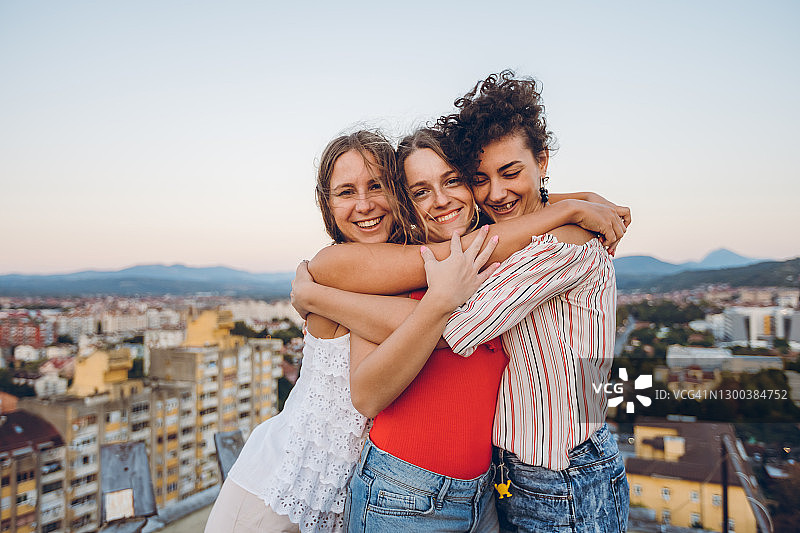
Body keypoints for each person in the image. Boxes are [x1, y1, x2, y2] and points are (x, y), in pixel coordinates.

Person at [307, 72, 631, 533]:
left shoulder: (537, 247)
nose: (442, 200)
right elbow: (369, 391)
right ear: (406, 202)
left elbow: (462, 313)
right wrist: (571, 203)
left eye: (455, 181)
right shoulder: (397, 267)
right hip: (412, 492)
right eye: (420, 191)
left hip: (515, 486)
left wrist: (574, 204)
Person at [204, 130, 420, 533]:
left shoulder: (374, 272)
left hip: (341, 501)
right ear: (327, 204)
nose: (364, 204)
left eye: (377, 185)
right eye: (345, 192)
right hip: (277, 488)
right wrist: (555, 214)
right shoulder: (334, 266)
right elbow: (439, 306)